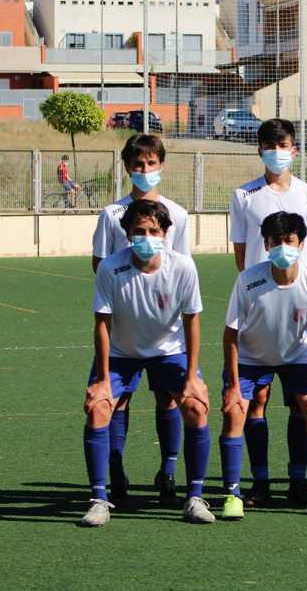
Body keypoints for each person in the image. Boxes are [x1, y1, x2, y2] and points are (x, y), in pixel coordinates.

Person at [81, 199, 213, 526]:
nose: (146, 236)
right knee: (99, 406)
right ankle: (100, 498)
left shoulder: (182, 266)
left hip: (168, 352)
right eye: (139, 231)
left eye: (153, 230)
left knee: (196, 406)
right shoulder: (111, 267)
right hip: (119, 354)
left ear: (165, 233)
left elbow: (192, 321)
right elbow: (102, 323)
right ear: (127, 234)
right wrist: (101, 378)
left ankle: (194, 497)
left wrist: (193, 375)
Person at [229, 118, 307, 508]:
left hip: (303, 317)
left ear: (294, 149)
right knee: (257, 400)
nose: (277, 151)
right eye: (269, 145)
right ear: (259, 150)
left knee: (301, 403)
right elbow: (241, 256)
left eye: (283, 144)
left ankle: (298, 479)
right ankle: (260, 481)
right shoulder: (244, 196)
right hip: (258, 315)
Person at [219, 212, 307, 520]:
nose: (283, 247)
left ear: (301, 244)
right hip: (251, 358)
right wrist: (234, 387)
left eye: (289, 241)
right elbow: (231, 333)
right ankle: (241, 491)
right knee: (239, 410)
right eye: (276, 241)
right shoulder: (249, 279)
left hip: (295, 357)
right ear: (266, 244)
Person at [91, 133, 192, 508]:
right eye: (138, 164)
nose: (144, 170)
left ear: (161, 166)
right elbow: (100, 264)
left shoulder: (177, 214)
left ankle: (167, 471)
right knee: (118, 401)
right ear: (127, 167)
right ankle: (115, 470)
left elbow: (182, 271)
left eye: (151, 163)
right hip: (124, 329)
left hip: (166, 330)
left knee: (168, 400)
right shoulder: (112, 214)